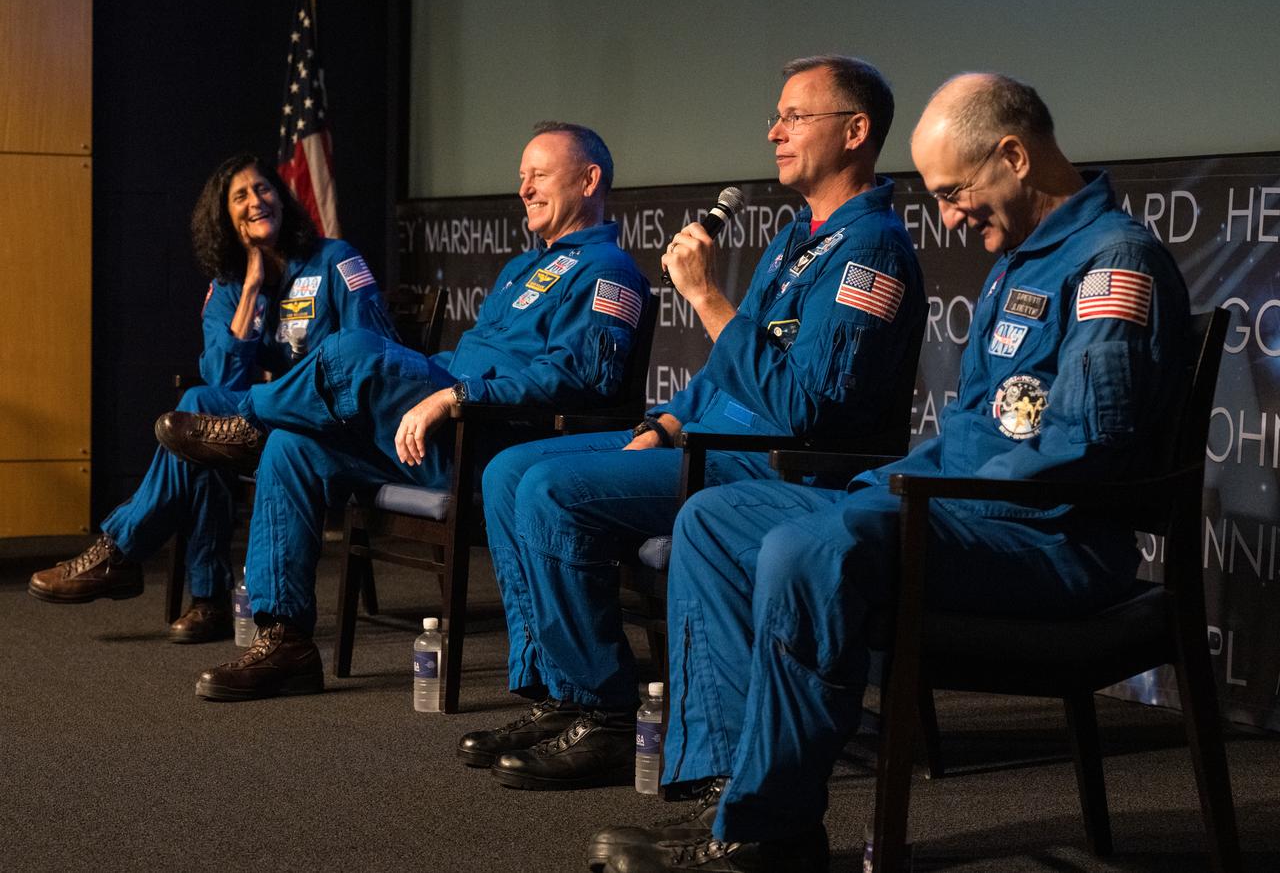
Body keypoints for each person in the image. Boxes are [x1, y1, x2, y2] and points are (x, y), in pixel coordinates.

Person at [589, 73, 1193, 873]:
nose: (946, 216)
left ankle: (770, 833)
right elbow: (975, 432)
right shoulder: (1020, 260)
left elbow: (1089, 445)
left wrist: (912, 497)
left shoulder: (1116, 263)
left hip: (1056, 542)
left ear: (1013, 155)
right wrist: (892, 484)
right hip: (973, 517)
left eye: (954, 192)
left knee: (811, 548)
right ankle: (733, 794)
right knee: (714, 518)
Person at [461, 55, 925, 793]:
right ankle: (561, 692)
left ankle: (606, 716)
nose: (774, 131)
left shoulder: (872, 250)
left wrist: (707, 298)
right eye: (775, 116)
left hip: (773, 463)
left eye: (795, 116)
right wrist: (671, 421)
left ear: (856, 131)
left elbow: (806, 410)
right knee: (509, 468)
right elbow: (733, 365)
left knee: (551, 487)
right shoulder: (800, 236)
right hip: (709, 440)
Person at [156, 122, 650, 700]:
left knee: (351, 348)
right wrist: (436, 378)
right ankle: (285, 638)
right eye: (521, 177)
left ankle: (247, 419)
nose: (524, 190)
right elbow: (470, 357)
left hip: (492, 443)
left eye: (538, 175)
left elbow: (582, 380)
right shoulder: (523, 268)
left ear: (590, 180)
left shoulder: (608, 271)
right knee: (294, 446)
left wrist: (454, 394)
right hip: (439, 430)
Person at [28, 153, 397, 644]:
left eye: (262, 189)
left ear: (282, 198)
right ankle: (204, 601)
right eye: (239, 196)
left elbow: (368, 351)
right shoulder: (227, 287)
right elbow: (225, 375)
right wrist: (250, 291)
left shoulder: (336, 260)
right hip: (263, 423)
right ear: (225, 218)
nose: (254, 201)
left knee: (199, 412)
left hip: (328, 424)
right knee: (203, 433)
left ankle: (140, 563)